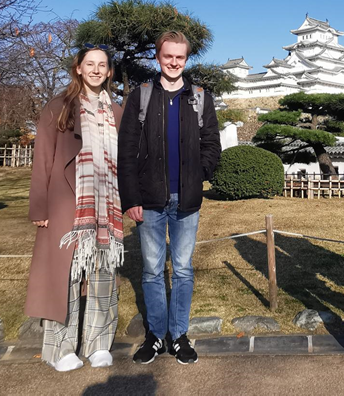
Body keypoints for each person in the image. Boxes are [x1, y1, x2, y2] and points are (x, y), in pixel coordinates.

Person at [118, 31, 221, 365]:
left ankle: (178, 335)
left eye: (180, 57)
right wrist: (130, 196)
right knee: (150, 270)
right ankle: (155, 335)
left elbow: (212, 145)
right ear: (158, 57)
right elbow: (127, 151)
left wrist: (199, 174)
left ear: (186, 59)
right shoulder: (142, 96)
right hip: (149, 199)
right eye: (168, 56)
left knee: (183, 269)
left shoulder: (201, 97)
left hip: (187, 199)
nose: (174, 62)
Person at [25, 46, 124, 372]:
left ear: (109, 72)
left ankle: (99, 343)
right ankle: (60, 348)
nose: (96, 70)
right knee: (64, 276)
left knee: (103, 274)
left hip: (107, 205)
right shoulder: (59, 107)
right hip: (67, 200)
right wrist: (39, 205)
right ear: (78, 68)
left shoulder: (117, 112)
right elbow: (43, 158)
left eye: (102, 65)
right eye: (89, 64)